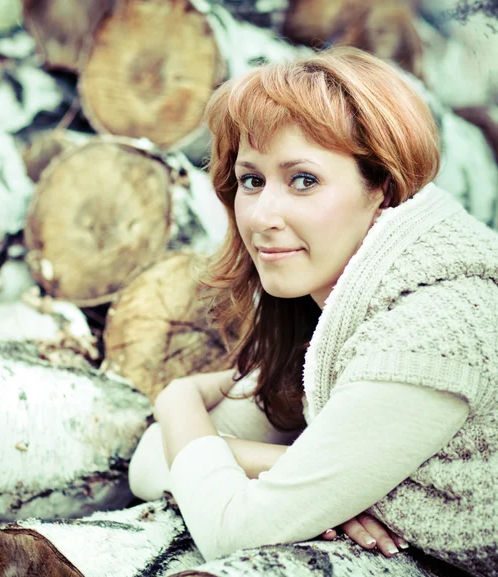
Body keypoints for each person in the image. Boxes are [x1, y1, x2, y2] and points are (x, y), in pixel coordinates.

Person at [128, 46, 498, 576]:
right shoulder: (340, 303)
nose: (262, 215)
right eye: (252, 180)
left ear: (382, 189)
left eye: (303, 180)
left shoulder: (432, 327)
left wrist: (180, 401)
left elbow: (231, 532)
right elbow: (148, 461)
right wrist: (293, 469)